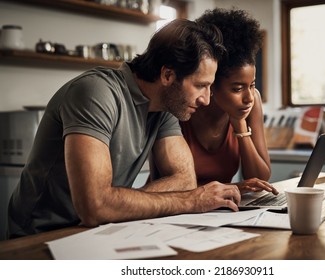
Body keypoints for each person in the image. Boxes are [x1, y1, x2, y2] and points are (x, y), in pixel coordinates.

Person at [7, 19, 241, 239]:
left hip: (97, 231)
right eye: (201, 86)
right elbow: (95, 207)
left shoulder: (165, 108)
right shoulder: (96, 93)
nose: (207, 100)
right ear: (168, 75)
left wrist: (118, 203)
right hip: (40, 236)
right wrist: (191, 201)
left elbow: (184, 180)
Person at [180, 9, 277, 195]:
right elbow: (166, 184)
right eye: (237, 89)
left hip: (219, 214)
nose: (249, 97)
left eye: (252, 85)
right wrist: (231, 188)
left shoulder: (250, 103)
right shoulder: (183, 107)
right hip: (171, 214)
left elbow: (261, 178)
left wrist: (239, 126)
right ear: (211, 84)